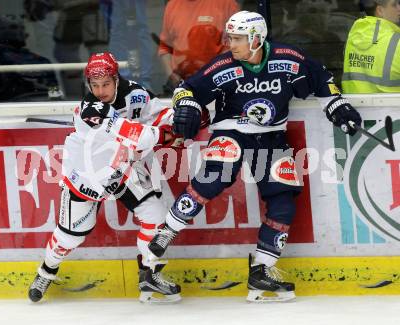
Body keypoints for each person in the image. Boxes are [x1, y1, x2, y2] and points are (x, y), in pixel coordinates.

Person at [147, 11, 362, 302]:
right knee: (214, 177)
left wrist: (337, 106)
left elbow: (322, 79)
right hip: (230, 131)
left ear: (257, 39)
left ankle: (261, 270)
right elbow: (187, 89)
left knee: (283, 198)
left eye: (237, 39)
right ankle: (166, 232)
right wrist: (187, 106)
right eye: (230, 38)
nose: (231, 45)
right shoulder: (224, 65)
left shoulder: (288, 59)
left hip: (272, 136)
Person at [28, 52, 182, 304]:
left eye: (106, 84)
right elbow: (140, 138)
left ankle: (149, 274)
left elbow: (161, 115)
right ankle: (46, 271)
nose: (100, 91)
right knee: (70, 237)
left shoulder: (136, 94)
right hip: (87, 175)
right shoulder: (90, 110)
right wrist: (163, 135)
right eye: (94, 85)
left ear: (117, 80)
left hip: (120, 170)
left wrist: (175, 122)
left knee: (155, 215)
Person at [158, 0, 240, 95]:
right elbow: (165, 47)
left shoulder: (226, 3)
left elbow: (236, 47)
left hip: (218, 87)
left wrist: (211, 75)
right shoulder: (172, 5)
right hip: (182, 88)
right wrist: (172, 75)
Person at [342, 0, 400, 93]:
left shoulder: (354, 36)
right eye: (394, 5)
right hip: (391, 106)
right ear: (380, 10)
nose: (399, 8)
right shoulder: (397, 41)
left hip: (353, 105)